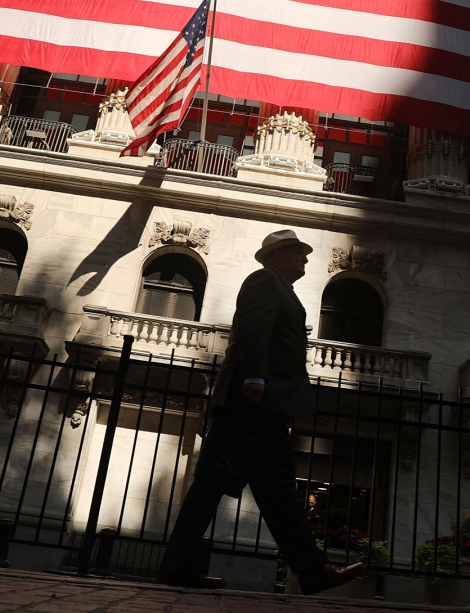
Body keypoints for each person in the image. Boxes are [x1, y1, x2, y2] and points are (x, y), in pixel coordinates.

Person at [156, 229, 364, 593]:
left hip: (266, 405)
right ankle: (311, 570)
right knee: (221, 485)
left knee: (273, 490)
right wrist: (255, 376)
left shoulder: (282, 288)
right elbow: (253, 330)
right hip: (251, 404)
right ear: (277, 255)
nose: (305, 258)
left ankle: (311, 570)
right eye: (298, 252)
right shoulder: (264, 280)